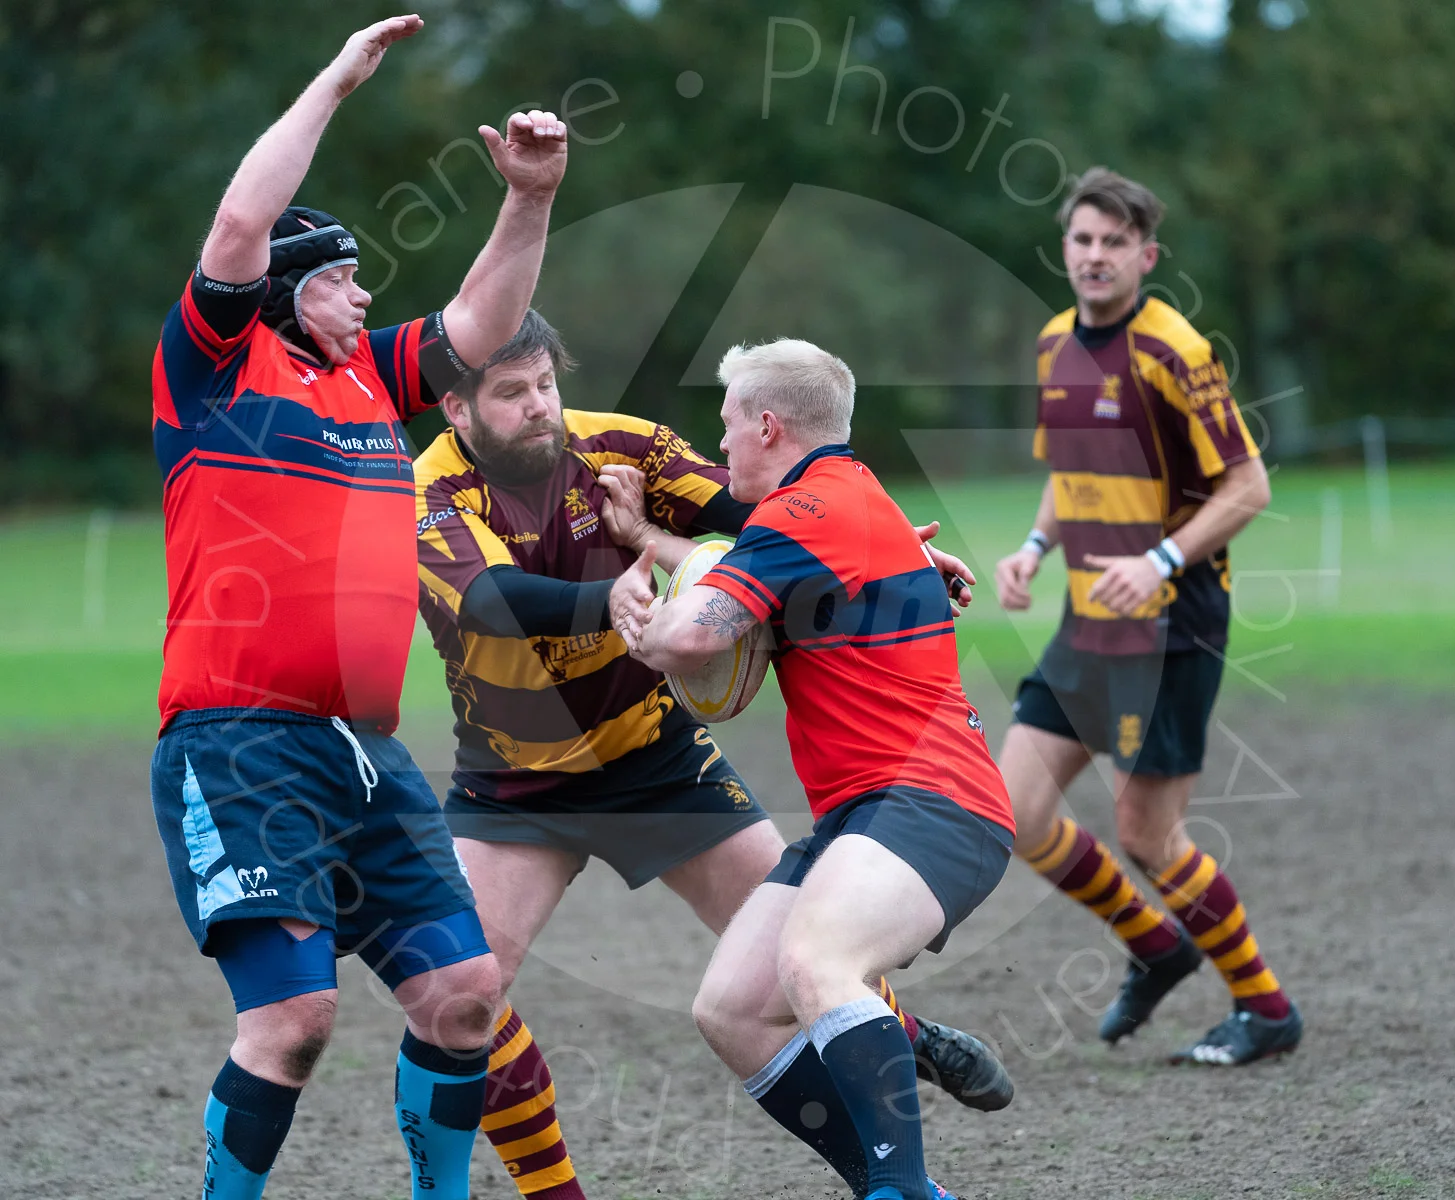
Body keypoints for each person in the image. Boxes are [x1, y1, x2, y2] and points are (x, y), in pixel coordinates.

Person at [411, 311, 1012, 1200]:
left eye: (547, 384)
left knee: (804, 954)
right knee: (460, 998)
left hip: (653, 755)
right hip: (516, 779)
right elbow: (493, 600)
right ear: (457, 409)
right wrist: (615, 597)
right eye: (512, 394)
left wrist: (885, 555)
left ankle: (898, 1053)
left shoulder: (623, 446)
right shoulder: (425, 490)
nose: (541, 407)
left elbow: (765, 506)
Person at [147, 16, 566, 1199]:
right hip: (240, 740)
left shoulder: (364, 378)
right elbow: (237, 229)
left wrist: (528, 200)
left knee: (464, 998)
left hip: (362, 754)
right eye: (339, 274)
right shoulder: (219, 367)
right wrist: (335, 83)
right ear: (282, 290)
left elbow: (479, 332)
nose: (363, 290)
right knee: (292, 1023)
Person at [610, 339, 1016, 1200]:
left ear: (767, 424)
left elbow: (693, 636)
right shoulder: (850, 494)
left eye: (726, 429)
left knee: (818, 966)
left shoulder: (799, 519)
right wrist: (647, 534)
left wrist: (635, 618)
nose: (719, 450)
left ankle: (900, 1193)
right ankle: (892, 1184)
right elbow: (748, 570)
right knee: (733, 1009)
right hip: (869, 813)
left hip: (935, 800)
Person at [992, 166, 1302, 1065]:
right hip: (1087, 617)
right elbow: (1070, 473)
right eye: (1082, 240)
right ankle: (1155, 944)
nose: (1095, 256)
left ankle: (1265, 1007)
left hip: (1175, 620)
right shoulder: (1054, 345)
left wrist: (1162, 555)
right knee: (1014, 813)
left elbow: (1250, 485)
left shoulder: (1176, 351)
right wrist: (1033, 548)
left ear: (1145, 256)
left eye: (1114, 243)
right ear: (1065, 250)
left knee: (1147, 837)